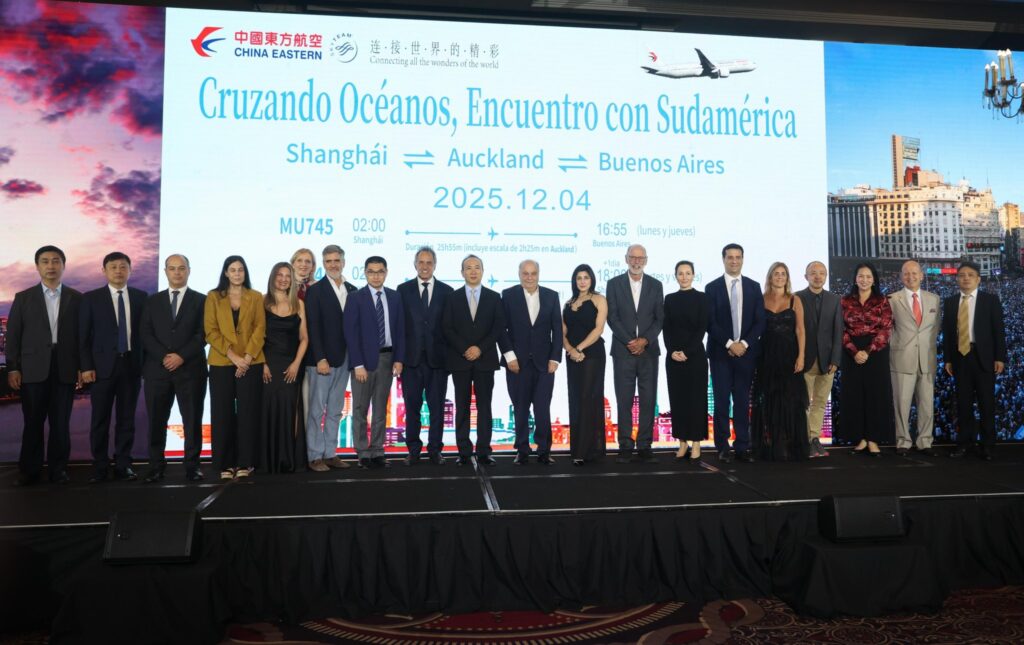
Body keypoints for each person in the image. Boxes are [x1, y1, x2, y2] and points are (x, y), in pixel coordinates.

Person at [6, 245, 81, 486]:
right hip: (32, 369)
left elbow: (82, 337)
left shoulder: (77, 298)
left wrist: (82, 367)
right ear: (37, 266)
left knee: (61, 423)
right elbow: (13, 336)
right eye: (45, 261)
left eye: (56, 261)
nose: (51, 266)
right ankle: (30, 470)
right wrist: (13, 367)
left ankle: (58, 469)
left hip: (65, 367)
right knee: (33, 423)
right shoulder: (23, 298)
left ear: (63, 266)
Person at [80, 251, 147, 483]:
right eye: (113, 267)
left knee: (127, 419)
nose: (118, 271)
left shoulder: (141, 297)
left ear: (130, 270)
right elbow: (83, 336)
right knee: (100, 420)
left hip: (131, 365)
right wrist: (86, 366)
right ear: (104, 271)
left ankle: (123, 464)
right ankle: (100, 466)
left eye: (123, 266)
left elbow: (145, 334)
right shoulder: (91, 298)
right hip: (101, 369)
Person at [140, 254, 207, 483]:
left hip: (191, 370)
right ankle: (156, 466)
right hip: (157, 370)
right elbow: (145, 333)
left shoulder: (202, 300)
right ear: (165, 271)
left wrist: (181, 356)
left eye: (181, 268)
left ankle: (192, 466)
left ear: (189, 270)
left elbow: (203, 334)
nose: (177, 272)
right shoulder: (152, 301)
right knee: (156, 421)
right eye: (172, 268)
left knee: (192, 420)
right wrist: (164, 357)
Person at [205, 255, 265, 479]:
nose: (237, 273)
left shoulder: (256, 296)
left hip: (251, 362)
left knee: (248, 413)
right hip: (222, 362)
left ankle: (245, 462)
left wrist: (246, 358)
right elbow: (210, 331)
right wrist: (233, 357)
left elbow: (260, 328)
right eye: (233, 270)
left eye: (241, 270)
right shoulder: (213, 296)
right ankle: (225, 464)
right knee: (222, 413)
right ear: (226, 273)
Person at [442, 254, 505, 466]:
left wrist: (480, 348)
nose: (473, 271)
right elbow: (447, 328)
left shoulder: (494, 297)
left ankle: (484, 450)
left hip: (485, 359)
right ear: (462, 272)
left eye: (477, 267)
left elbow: (498, 327)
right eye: (468, 267)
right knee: (462, 406)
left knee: (485, 406)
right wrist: (465, 349)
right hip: (459, 360)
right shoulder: (452, 297)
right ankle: (464, 451)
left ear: (483, 271)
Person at [705, 243, 765, 463]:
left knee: (741, 401)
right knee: (721, 402)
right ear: (723, 259)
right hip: (720, 354)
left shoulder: (753, 287)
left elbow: (760, 321)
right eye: (730, 257)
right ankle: (722, 446)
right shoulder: (712, 288)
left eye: (738, 257)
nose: (734, 261)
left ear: (743, 259)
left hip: (747, 354)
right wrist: (730, 344)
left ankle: (742, 446)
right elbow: (710, 322)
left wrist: (744, 344)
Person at [499, 260, 563, 465]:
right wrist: (509, 357)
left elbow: (557, 330)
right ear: (519, 274)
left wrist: (555, 358)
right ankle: (522, 449)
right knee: (520, 409)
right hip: (516, 364)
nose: (529, 277)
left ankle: (544, 450)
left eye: (533, 273)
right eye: (525, 273)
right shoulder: (508, 295)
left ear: (538, 274)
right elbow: (501, 329)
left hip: (545, 364)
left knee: (543, 409)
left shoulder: (552, 296)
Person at [345, 256, 406, 468]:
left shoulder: (395, 297)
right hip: (363, 362)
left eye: (380, 271)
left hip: (387, 359)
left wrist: (399, 359)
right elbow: (350, 334)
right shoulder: (355, 298)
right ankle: (363, 452)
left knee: (381, 409)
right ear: (365, 273)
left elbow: (400, 330)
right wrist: (357, 364)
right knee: (360, 408)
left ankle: (378, 450)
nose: (376, 276)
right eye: (371, 271)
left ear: (386, 272)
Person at [606, 244, 664, 463]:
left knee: (648, 400)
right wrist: (630, 342)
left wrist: (645, 340)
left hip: (649, 352)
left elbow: (659, 318)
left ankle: (645, 445)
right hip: (623, 351)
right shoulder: (614, 284)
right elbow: (612, 317)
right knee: (624, 400)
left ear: (646, 260)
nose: (636, 261)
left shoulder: (656, 285)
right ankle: (625, 445)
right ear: (626, 258)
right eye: (633, 257)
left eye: (640, 258)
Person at [396, 246, 454, 465]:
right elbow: (399, 327)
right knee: (412, 408)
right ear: (415, 264)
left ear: (435, 265)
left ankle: (435, 449)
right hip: (411, 361)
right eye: (421, 262)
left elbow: (450, 328)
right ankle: (413, 449)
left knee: (437, 408)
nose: (425, 266)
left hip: (438, 361)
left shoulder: (447, 291)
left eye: (429, 262)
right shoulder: (403, 290)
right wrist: (398, 359)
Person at [945, 262, 1007, 460]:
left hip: (984, 358)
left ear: (978, 279)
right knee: (963, 404)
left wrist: (1000, 357)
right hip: (960, 358)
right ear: (957, 279)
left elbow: (999, 330)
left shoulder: (990, 300)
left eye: (970, 275)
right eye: (962, 275)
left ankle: (988, 445)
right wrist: (948, 359)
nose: (966, 278)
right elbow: (948, 334)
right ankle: (964, 443)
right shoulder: (950, 302)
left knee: (986, 403)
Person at [303, 245, 357, 472]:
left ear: (343, 262)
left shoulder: (353, 290)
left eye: (337, 260)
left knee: (335, 409)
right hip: (322, 361)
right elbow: (313, 327)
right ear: (323, 264)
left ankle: (330, 453)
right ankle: (314, 456)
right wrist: (320, 358)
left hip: (345, 359)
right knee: (316, 410)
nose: (333, 264)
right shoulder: (315, 291)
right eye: (328, 261)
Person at [750, 262, 809, 461]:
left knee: (790, 400)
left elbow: (800, 330)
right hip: (766, 355)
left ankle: (789, 445)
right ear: (770, 277)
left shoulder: (795, 299)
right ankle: (771, 444)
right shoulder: (760, 299)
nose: (780, 277)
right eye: (776, 273)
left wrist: (801, 356)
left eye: (783, 274)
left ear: (787, 278)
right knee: (768, 400)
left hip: (789, 356)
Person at [838, 262, 893, 456]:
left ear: (874, 280)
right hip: (850, 352)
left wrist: (868, 351)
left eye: (868, 276)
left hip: (876, 352)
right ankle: (860, 438)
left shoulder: (882, 300)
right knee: (855, 395)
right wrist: (854, 351)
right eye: (861, 276)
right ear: (855, 279)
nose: (864, 280)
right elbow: (840, 329)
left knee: (875, 396)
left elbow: (886, 328)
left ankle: (873, 439)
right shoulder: (844, 301)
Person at [260, 262, 309, 473]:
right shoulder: (262, 301)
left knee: (290, 410)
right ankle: (268, 461)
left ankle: (288, 460)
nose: (283, 279)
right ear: (273, 277)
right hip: (267, 365)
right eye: (279, 275)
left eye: (287, 276)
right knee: (268, 410)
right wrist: (262, 363)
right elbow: (255, 336)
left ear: (292, 280)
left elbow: (304, 338)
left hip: (291, 366)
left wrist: (296, 364)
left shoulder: (299, 304)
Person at [888, 260, 940, 457]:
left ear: (921, 275)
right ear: (901, 277)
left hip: (927, 359)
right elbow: (887, 330)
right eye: (906, 273)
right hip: (901, 358)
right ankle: (903, 441)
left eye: (914, 273)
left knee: (927, 404)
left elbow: (935, 328)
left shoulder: (934, 299)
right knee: (901, 404)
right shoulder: (892, 299)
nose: (911, 277)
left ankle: (925, 441)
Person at [662, 261, 709, 463]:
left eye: (688, 273)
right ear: (675, 276)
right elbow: (666, 328)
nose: (684, 277)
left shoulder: (702, 298)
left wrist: (687, 352)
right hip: (673, 358)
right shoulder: (670, 299)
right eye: (680, 273)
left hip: (695, 357)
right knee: (678, 400)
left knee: (696, 400)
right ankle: (682, 442)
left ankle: (696, 443)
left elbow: (702, 328)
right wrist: (672, 351)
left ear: (693, 275)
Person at [795, 261, 843, 458]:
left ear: (825, 276)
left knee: (821, 402)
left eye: (821, 273)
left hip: (827, 361)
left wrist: (836, 359)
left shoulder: (834, 299)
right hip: (804, 360)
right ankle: (804, 440)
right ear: (806, 276)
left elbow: (838, 331)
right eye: (813, 273)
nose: (817, 276)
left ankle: (814, 438)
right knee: (803, 403)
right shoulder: (797, 297)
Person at [563, 264, 608, 466]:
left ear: (592, 280)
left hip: (592, 354)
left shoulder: (599, 299)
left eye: (586, 277)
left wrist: (579, 349)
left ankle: (588, 450)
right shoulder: (568, 303)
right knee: (575, 399)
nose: (582, 281)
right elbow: (562, 331)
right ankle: (577, 450)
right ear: (574, 281)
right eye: (579, 278)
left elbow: (599, 329)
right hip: (572, 356)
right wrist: (570, 349)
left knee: (588, 399)